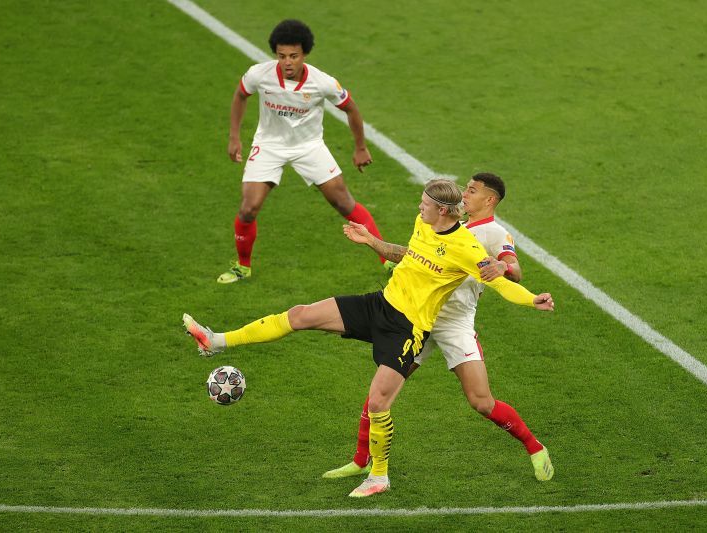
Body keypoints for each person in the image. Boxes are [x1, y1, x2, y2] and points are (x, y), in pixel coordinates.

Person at [183, 179, 555, 498]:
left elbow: (505, 284)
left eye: (424, 204)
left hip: (411, 328)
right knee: (301, 314)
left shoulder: (469, 245)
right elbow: (413, 256)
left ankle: (379, 476)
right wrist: (371, 241)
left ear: (443, 210)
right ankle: (215, 341)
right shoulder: (426, 223)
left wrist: (532, 298)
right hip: (380, 305)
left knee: (386, 402)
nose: (418, 207)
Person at [322, 173, 554, 484]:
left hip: (454, 325)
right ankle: (362, 460)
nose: (464, 193)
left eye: (471, 191)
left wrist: (506, 267)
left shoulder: (495, 233)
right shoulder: (444, 221)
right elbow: (412, 254)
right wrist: (377, 246)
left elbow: (514, 266)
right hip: (417, 318)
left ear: (490, 200)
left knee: (481, 402)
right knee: (381, 391)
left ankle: (535, 448)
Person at [218, 19, 385, 283]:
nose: (287, 62)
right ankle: (242, 266)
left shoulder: (323, 82)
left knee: (343, 202)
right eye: (281, 56)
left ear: (304, 54)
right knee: (249, 208)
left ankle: (387, 260)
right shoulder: (259, 74)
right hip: (269, 145)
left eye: (293, 56)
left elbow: (351, 109)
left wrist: (360, 147)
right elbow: (240, 96)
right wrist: (234, 137)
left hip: (309, 147)